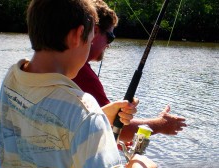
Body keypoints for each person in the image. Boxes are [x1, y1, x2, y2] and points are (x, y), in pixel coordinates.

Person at [0, 0, 157, 168]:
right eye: (90, 41)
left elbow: (45, 124)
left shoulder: (12, 79)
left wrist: (101, 116)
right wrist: (142, 167)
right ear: (76, 36)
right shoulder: (83, 111)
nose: (91, 47)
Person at [73, 0, 187, 142]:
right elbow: (118, 129)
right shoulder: (82, 74)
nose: (108, 45)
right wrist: (161, 124)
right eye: (110, 37)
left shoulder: (68, 67)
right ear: (94, 31)